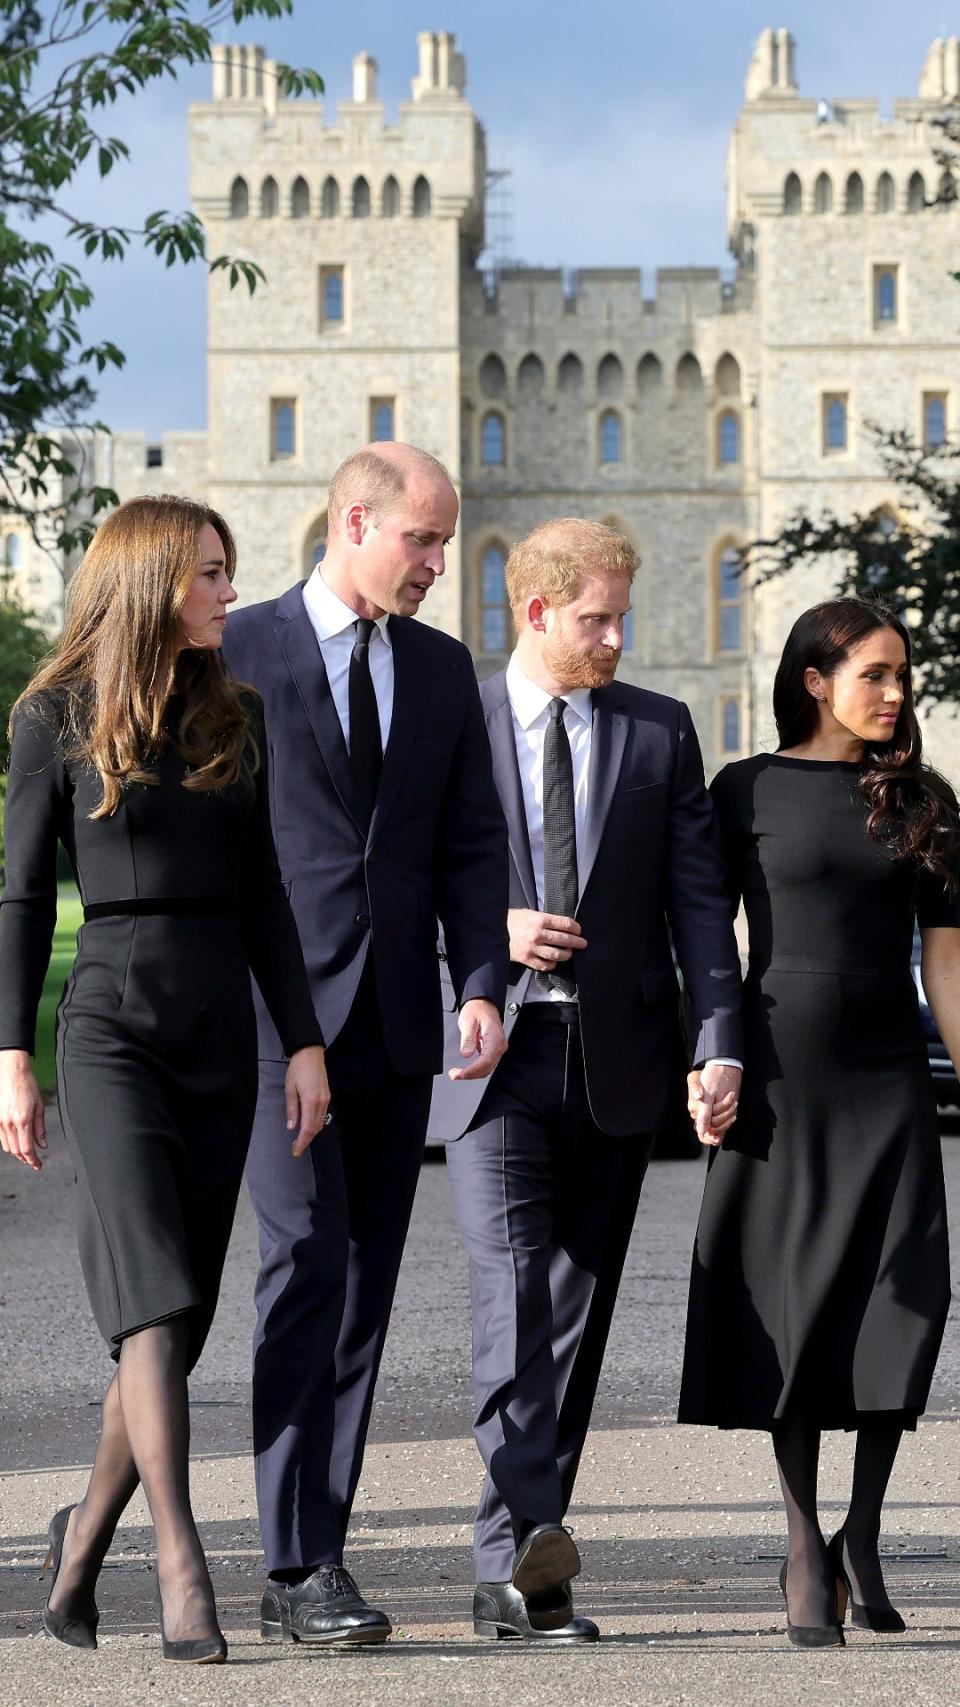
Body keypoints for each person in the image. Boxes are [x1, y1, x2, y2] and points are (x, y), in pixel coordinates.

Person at [0, 496, 329, 1665]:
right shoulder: (54, 716)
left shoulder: (237, 712)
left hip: (216, 1039)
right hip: (111, 1035)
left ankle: (78, 1557)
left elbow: (267, 894)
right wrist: (13, 1064)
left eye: (230, 573)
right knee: (150, 1298)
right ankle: (182, 1565)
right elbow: (23, 901)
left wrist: (301, 1042)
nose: (228, 593)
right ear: (148, 579)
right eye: (209, 574)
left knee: (173, 1321)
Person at [429, 518, 743, 1642]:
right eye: (596, 619)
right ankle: (522, 1551)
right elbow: (387, 880)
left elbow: (699, 904)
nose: (617, 638)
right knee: (511, 1293)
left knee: (576, 1317)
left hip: (618, 1063)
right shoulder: (451, 718)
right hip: (492, 1054)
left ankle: (522, 1561)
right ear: (534, 613)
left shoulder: (659, 732)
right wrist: (486, 930)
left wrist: (720, 1038)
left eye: (622, 617)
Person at [220, 441, 509, 1647]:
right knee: (302, 1270)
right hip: (272, 1025)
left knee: (363, 1292)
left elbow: (470, 845)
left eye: (445, 543)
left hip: (398, 1029)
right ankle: (291, 1562)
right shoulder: (237, 653)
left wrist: (482, 981)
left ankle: (316, 1554)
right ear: (353, 522)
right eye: (423, 540)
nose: (441, 564)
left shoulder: (442, 673)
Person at [679, 597, 960, 1647]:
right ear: (815, 679)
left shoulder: (924, 799)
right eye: (873, 674)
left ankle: (864, 1532)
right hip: (780, 1075)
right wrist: (712, 1054)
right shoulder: (744, 789)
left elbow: (948, 961)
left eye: (903, 677)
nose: (894, 694)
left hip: (889, 1075)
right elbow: (705, 931)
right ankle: (804, 1540)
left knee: (900, 1308)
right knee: (795, 1311)